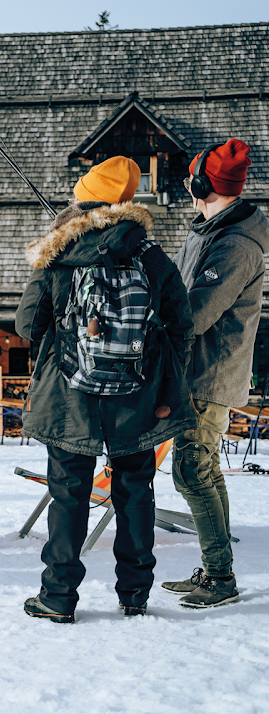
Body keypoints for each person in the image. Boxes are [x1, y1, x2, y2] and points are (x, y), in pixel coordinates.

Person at [16, 156, 195, 622]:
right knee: (135, 491)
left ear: (83, 201)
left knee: (69, 494)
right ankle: (135, 595)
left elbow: (27, 325)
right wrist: (159, 376)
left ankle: (57, 597)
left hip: (69, 395)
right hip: (136, 395)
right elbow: (182, 325)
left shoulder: (59, 255)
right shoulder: (152, 256)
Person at [164, 139, 269, 609]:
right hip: (198, 372)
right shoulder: (211, 229)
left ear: (204, 183)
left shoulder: (235, 245)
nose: (188, 184)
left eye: (193, 177)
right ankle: (215, 569)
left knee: (190, 472)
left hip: (208, 375)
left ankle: (220, 579)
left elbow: (196, 312)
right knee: (204, 470)